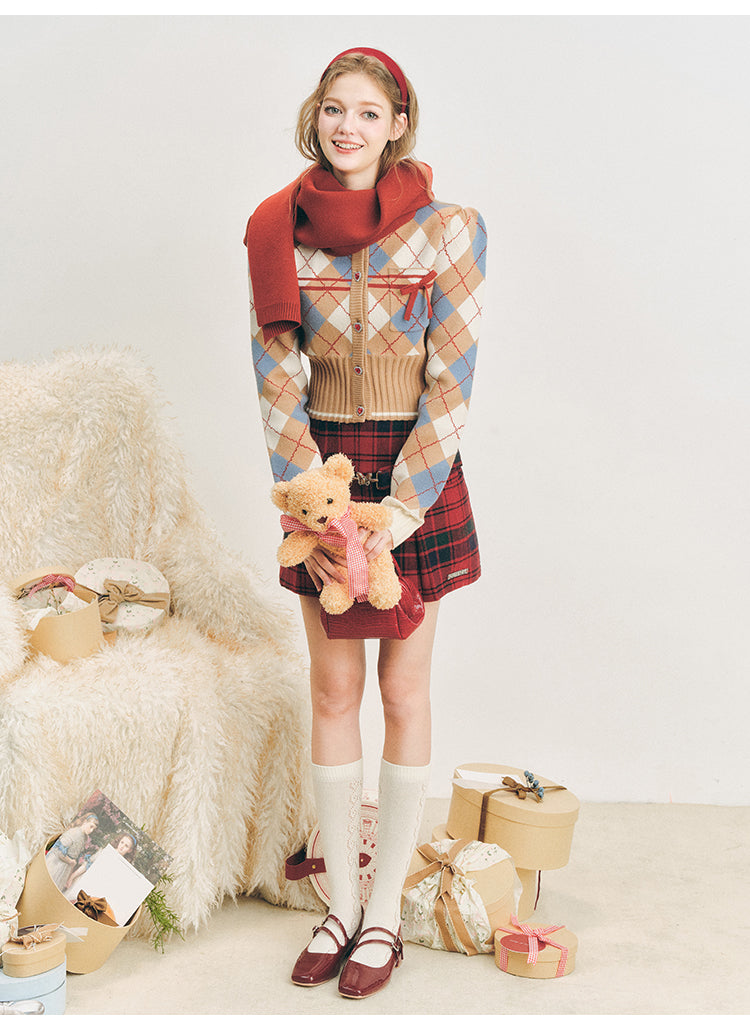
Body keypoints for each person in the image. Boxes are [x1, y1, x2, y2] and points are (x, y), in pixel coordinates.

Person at [244, 46, 486, 999]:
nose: (348, 126)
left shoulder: (450, 231)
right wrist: (321, 512)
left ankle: (384, 912)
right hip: (323, 479)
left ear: (398, 125)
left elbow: (451, 382)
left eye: (369, 112)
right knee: (333, 688)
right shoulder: (277, 232)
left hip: (415, 477)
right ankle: (339, 906)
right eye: (335, 109)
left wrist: (398, 513)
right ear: (317, 118)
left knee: (404, 689)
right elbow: (276, 384)